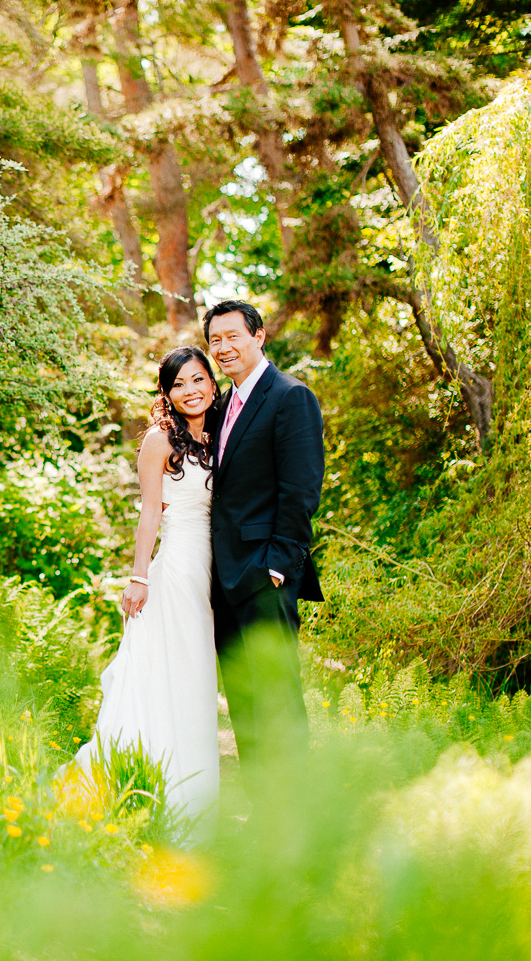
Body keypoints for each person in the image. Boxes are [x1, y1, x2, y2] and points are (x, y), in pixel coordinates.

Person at [73, 346, 221, 845]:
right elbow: (150, 515)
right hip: (176, 569)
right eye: (179, 384)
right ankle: (150, 793)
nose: (191, 390)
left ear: (212, 382)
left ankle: (194, 797)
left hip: (211, 569)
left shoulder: (221, 432)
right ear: (167, 392)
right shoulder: (160, 440)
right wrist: (140, 577)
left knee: (197, 678)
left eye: (198, 379)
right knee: (168, 674)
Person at [203, 299, 324, 798]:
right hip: (222, 579)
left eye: (233, 336)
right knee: (245, 700)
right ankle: (263, 813)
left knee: (277, 697)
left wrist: (277, 566)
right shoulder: (221, 406)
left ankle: (298, 815)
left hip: (264, 574)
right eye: (215, 340)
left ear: (259, 336)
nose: (224, 347)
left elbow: (300, 491)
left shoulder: (290, 397)